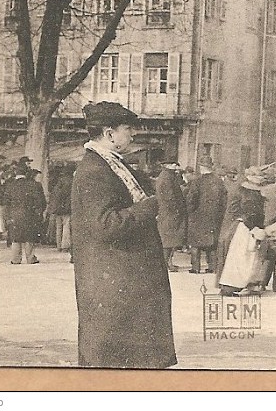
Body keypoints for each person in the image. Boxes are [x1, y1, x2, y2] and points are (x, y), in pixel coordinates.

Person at [71, 101, 176, 368]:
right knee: (116, 366)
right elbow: (105, 224)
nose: (132, 135)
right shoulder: (94, 171)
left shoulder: (111, 164)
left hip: (123, 281)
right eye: (127, 129)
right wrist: (148, 208)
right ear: (109, 133)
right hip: (115, 284)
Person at [219, 167, 271, 296]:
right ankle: (230, 287)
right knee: (241, 257)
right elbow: (245, 213)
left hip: (248, 227)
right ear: (250, 178)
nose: (261, 180)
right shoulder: (247, 193)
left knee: (247, 257)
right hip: (245, 228)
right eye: (258, 177)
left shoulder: (249, 191)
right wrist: (254, 228)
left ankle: (241, 285)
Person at [185, 164, 226, 274]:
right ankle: (212, 267)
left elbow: (191, 199)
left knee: (195, 243)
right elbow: (224, 200)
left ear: (201, 168)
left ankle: (196, 267)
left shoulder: (197, 181)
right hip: (214, 217)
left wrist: (190, 212)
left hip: (198, 216)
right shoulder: (219, 182)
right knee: (212, 243)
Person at [1, 165, 46, 265]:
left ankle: (15, 259)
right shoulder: (33, 184)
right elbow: (39, 201)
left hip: (14, 214)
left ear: (15, 174)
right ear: (26, 174)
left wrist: (7, 216)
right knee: (29, 237)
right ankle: (30, 258)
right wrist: (38, 213)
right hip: (29, 214)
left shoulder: (10, 185)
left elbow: (5, 203)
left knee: (15, 237)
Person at [155, 164, 187, 271]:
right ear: (167, 165)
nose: (176, 166)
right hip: (170, 213)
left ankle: (168, 263)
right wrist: (177, 210)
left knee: (169, 240)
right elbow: (170, 197)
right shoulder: (167, 178)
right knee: (168, 241)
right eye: (174, 164)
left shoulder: (167, 176)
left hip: (167, 213)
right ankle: (165, 265)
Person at [47, 164, 74, 253]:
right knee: (66, 226)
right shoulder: (71, 181)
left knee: (59, 227)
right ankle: (65, 246)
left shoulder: (59, 181)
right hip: (67, 207)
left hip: (58, 208)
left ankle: (58, 245)